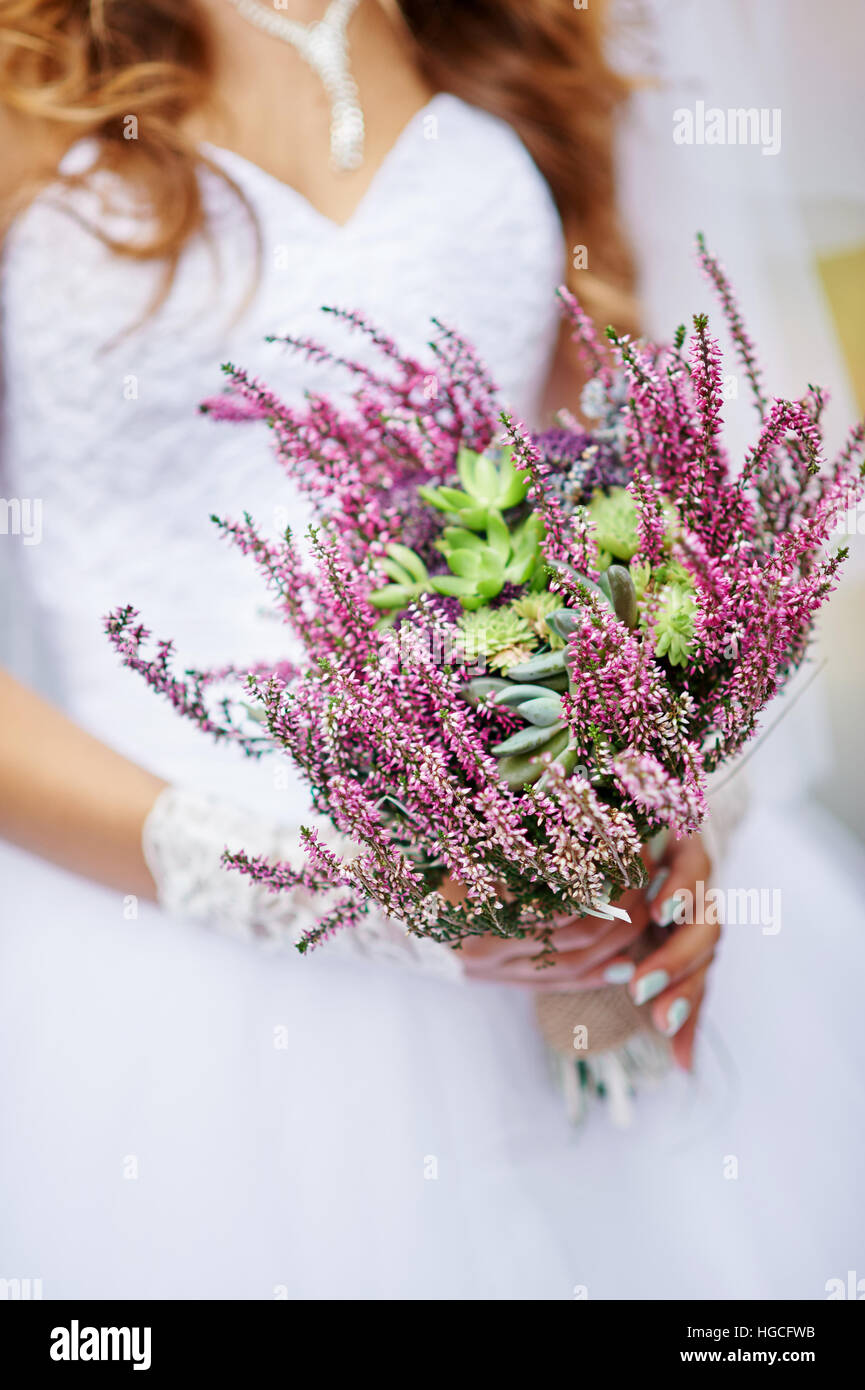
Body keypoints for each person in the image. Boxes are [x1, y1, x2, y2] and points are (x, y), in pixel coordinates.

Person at [0, 1, 859, 1300]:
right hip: (149, 949)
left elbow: (617, 495)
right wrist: (304, 884)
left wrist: (669, 795)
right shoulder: (29, 73)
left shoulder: (527, 36)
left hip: (553, 929)